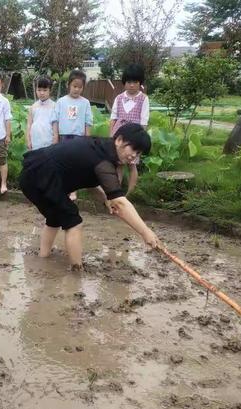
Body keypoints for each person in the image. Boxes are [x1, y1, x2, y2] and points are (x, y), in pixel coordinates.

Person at [19, 123, 160, 269]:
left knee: (56, 216)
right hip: (38, 177)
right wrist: (145, 232)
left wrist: (105, 199)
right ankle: (76, 270)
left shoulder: (101, 148)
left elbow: (89, 181)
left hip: (35, 175)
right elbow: (121, 203)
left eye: (138, 153)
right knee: (73, 220)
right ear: (119, 140)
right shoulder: (104, 161)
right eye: (133, 149)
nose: (133, 156)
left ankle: (43, 258)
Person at [52, 69, 93, 201]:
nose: (77, 89)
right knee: (63, 163)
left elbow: (88, 122)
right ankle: (63, 189)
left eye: (80, 87)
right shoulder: (61, 101)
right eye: (74, 86)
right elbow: (55, 120)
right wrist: (55, 136)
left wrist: (88, 139)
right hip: (64, 136)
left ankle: (73, 191)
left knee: (75, 165)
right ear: (68, 85)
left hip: (78, 138)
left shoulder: (85, 103)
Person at [110, 64, 150, 195]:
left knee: (132, 165)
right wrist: (111, 136)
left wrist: (140, 139)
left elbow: (144, 121)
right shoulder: (119, 98)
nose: (132, 85)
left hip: (134, 138)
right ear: (124, 83)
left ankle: (130, 194)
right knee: (118, 165)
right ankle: (116, 193)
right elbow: (113, 117)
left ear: (140, 83)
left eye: (135, 82)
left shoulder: (143, 99)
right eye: (129, 82)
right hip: (119, 137)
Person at [26, 75, 55, 151]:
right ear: (36, 90)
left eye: (45, 90)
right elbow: (29, 125)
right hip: (35, 141)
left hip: (49, 141)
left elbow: (56, 127)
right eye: (39, 90)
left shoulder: (54, 107)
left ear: (50, 90)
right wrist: (28, 140)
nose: (42, 93)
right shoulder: (33, 107)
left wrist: (55, 142)